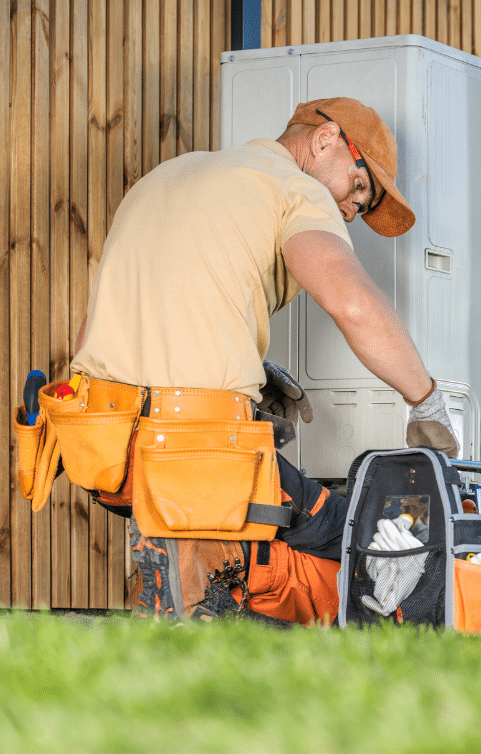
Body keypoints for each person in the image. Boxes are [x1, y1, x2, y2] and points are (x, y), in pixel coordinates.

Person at [70, 97, 459, 626]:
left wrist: (239, 367)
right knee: (364, 533)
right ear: (326, 141)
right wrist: (426, 401)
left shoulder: (168, 175)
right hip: (196, 449)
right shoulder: (293, 188)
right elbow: (353, 304)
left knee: (230, 527)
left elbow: (96, 331)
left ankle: (184, 593)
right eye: (359, 188)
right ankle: (219, 609)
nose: (350, 211)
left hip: (106, 448)